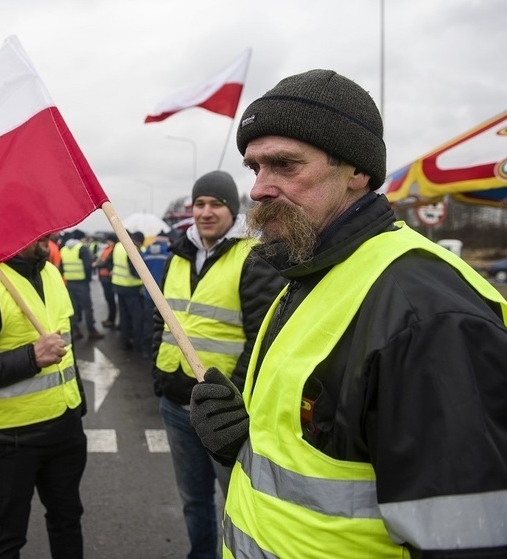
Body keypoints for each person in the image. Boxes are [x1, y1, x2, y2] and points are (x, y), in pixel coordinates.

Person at [190, 69, 507, 558]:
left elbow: (467, 539)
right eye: (255, 168)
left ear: (356, 172)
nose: (259, 188)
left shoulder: (427, 315)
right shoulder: (309, 275)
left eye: (285, 165)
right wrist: (244, 443)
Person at [152, 171, 285, 559]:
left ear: (232, 210)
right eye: (199, 204)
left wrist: (236, 398)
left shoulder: (253, 256)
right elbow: (159, 319)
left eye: (216, 204)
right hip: (176, 404)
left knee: (235, 502)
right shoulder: (178, 255)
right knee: (193, 500)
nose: (206, 212)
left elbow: (263, 336)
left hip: (226, 412)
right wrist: (158, 376)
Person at [0, 235, 87, 559]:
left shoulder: (50, 272)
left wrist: (78, 409)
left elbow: (65, 347)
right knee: (8, 536)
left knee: (68, 522)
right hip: (12, 440)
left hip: (65, 431)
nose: (47, 232)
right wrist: (31, 358)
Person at [60, 229, 104, 341]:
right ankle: (91, 330)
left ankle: (76, 331)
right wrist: (88, 278)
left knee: (73, 308)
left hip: (69, 282)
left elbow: (61, 267)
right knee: (87, 308)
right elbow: (88, 265)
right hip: (82, 283)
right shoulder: (82, 248)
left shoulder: (64, 249)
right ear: (81, 238)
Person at [112, 231, 145, 355]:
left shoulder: (118, 246)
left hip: (118, 286)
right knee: (137, 317)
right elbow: (135, 272)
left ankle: (124, 342)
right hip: (132, 288)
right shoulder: (132, 248)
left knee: (124, 316)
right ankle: (137, 344)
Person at [140, 232, 170, 361]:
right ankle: (159, 353)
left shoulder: (146, 252)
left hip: (148, 294)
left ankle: (146, 350)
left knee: (148, 322)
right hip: (165, 296)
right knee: (163, 325)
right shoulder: (170, 253)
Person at [93, 232, 117, 328]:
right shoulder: (107, 249)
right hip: (103, 276)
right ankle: (110, 318)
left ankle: (112, 319)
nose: (107, 242)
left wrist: (97, 264)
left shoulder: (114, 249)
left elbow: (107, 262)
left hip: (109, 277)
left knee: (111, 300)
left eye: (109, 240)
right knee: (108, 299)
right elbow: (101, 259)